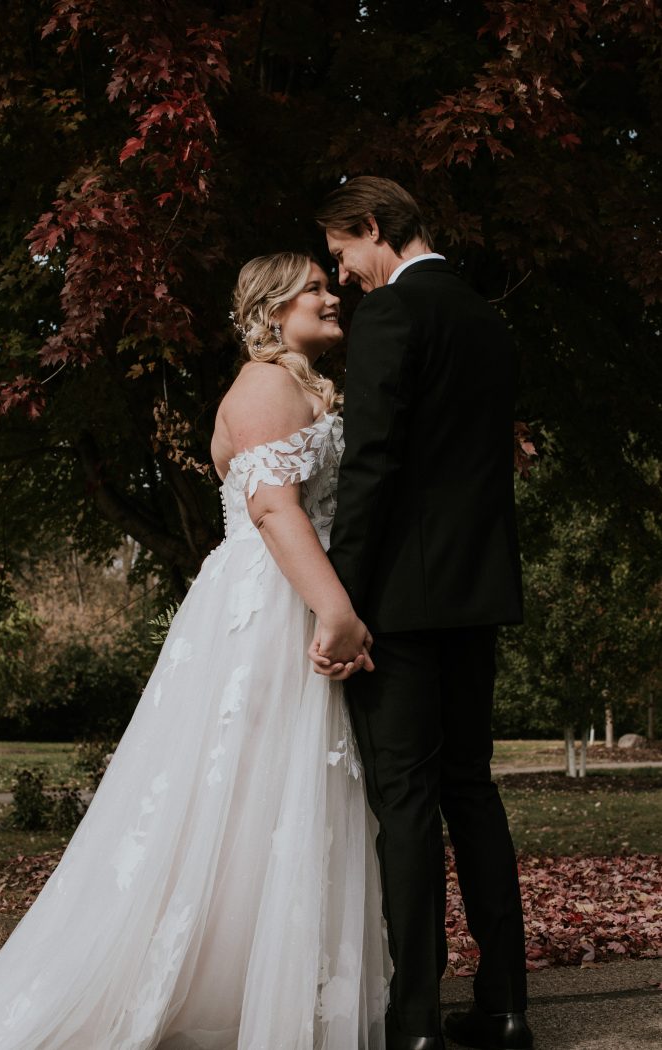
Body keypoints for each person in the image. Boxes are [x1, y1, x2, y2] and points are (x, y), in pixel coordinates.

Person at [0, 252, 390, 1049]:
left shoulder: (302, 386)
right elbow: (271, 508)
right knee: (244, 787)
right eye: (315, 289)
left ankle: (267, 981)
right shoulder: (265, 384)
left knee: (276, 794)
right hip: (272, 604)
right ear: (269, 310)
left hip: (288, 593)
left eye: (332, 287)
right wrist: (335, 610)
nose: (334, 298)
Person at [311, 177, 533, 1050]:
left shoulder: (391, 319)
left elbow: (370, 469)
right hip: (477, 595)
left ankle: (414, 1024)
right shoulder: (487, 319)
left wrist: (343, 602)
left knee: (405, 803)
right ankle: (507, 1009)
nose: (346, 274)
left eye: (343, 252)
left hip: (398, 604)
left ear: (373, 228)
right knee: (472, 790)